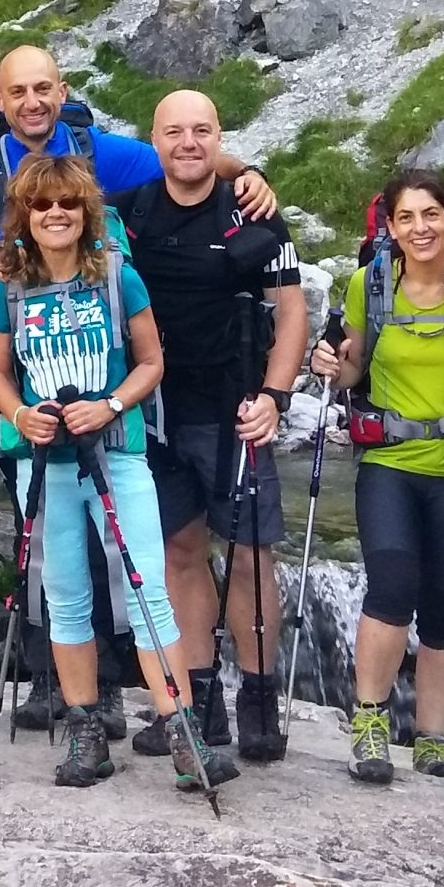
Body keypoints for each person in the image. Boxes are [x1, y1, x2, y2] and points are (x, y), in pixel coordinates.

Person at [0, 45, 275, 734]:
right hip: (31, 409)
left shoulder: (103, 152)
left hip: (117, 416)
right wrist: (18, 295)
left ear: (62, 91)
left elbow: (185, 154)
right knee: (50, 556)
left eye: (44, 88)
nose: (33, 102)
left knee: (130, 565)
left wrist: (248, 174)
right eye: (19, 92)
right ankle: (64, 694)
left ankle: (152, 702)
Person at [0, 152, 233, 792]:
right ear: (26, 216)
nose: (57, 213)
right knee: (66, 594)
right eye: (42, 205)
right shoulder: (10, 286)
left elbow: (152, 362)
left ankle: (182, 731)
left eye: (68, 203)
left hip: (117, 452)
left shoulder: (119, 276)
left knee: (147, 589)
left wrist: (111, 405)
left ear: (87, 211)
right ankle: (84, 731)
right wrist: (21, 415)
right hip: (44, 459)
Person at [116, 87, 306, 763]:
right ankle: (199, 703)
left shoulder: (255, 214)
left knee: (252, 554)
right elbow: (51, 216)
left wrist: (277, 396)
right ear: (154, 138)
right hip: (158, 416)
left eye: (202, 131)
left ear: (219, 136)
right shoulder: (130, 214)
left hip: (237, 412)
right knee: (181, 556)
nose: (188, 143)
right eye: (174, 132)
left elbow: (291, 313)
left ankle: (258, 695)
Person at [309, 169, 444, 786]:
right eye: (406, 218)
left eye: (431, 215)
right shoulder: (370, 283)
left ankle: (433, 741)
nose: (420, 228)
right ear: (390, 227)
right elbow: (353, 368)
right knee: (391, 584)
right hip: (388, 463)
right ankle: (370, 722)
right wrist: (328, 361)